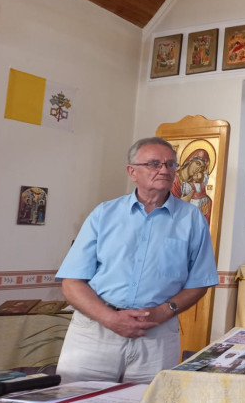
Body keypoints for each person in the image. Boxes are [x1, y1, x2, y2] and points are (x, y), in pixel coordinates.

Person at [55, 137, 218, 384]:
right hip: (95, 331)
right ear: (132, 172)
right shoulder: (104, 214)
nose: (164, 170)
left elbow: (200, 282)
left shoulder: (192, 219)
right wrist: (110, 318)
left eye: (170, 164)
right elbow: (72, 282)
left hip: (156, 334)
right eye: (154, 164)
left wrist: (163, 312)